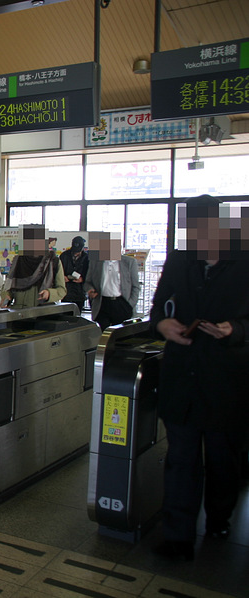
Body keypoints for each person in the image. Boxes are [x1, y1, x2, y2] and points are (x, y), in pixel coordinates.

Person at [149, 195, 249, 561]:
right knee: (181, 459)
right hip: (183, 376)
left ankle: (220, 518)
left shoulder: (244, 261)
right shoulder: (180, 259)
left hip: (227, 380)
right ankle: (178, 536)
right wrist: (162, 324)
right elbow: (158, 305)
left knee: (224, 459)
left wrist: (234, 329)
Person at [83, 232, 140, 330]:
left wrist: (130, 304)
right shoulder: (95, 262)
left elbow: (136, 286)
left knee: (121, 335)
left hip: (121, 302)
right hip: (102, 303)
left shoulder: (129, 263)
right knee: (103, 334)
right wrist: (90, 290)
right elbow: (87, 282)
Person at [1, 225, 66, 308]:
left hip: (44, 313)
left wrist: (49, 293)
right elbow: (8, 286)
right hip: (20, 314)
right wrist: (6, 296)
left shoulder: (53, 261)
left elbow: (61, 290)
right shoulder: (18, 260)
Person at [60, 235, 89, 311]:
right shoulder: (64, 256)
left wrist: (83, 279)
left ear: (83, 248)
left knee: (77, 317)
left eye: (78, 251)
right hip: (66, 292)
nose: (76, 253)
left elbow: (91, 273)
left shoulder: (87, 258)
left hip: (79, 292)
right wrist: (62, 276)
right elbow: (57, 270)